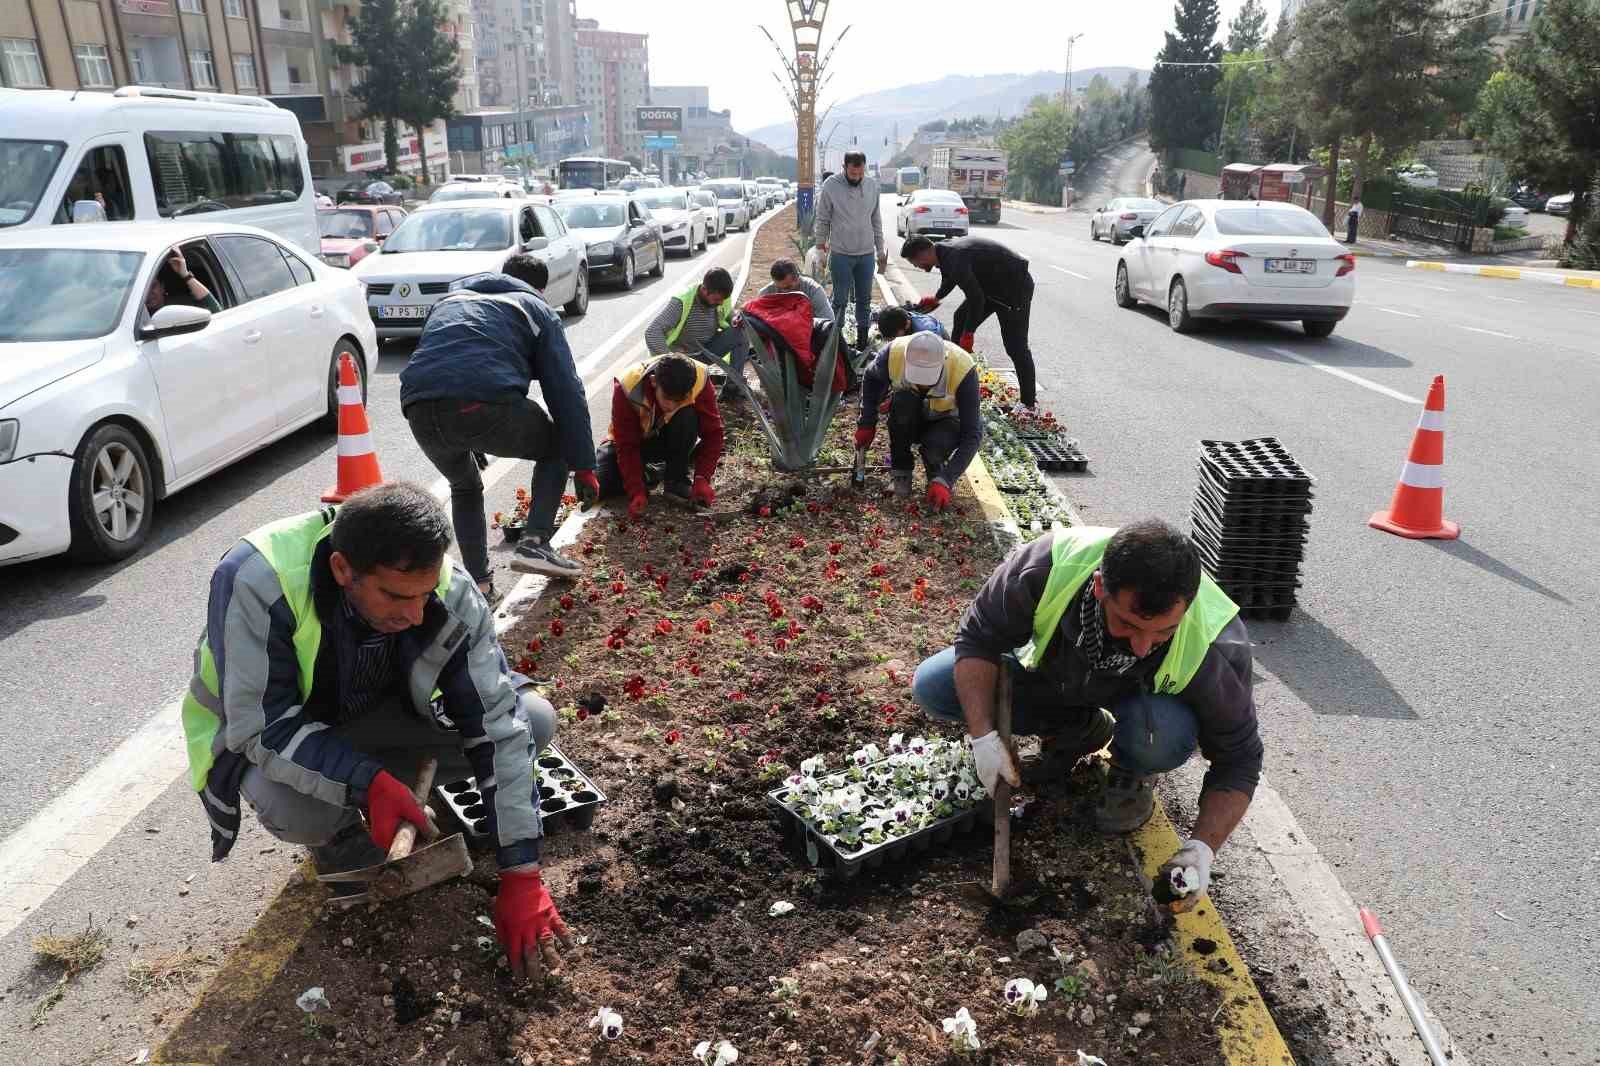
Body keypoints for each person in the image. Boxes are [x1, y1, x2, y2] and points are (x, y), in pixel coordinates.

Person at [180, 484, 571, 979]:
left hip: (374, 713)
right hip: (276, 730)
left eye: (424, 595)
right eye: (394, 595)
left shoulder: (447, 592)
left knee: (533, 720)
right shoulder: (259, 579)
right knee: (300, 810)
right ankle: (341, 837)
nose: (414, 614)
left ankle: (391, 793)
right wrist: (368, 782)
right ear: (343, 569)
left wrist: (521, 873)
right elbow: (262, 725)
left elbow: (496, 723)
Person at [911, 519, 1261, 912]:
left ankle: (1131, 770)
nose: (1144, 646)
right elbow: (978, 639)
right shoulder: (1048, 566)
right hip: (1060, 676)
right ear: (1099, 587)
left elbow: (1240, 757)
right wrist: (983, 738)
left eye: (1163, 633)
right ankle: (1075, 729)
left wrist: (1202, 848)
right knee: (935, 685)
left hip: (1143, 708)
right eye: (1127, 625)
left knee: (1158, 734)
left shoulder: (1217, 645)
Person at [400, 255, 599, 592]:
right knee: (557, 445)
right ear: (539, 287)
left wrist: (469, 434)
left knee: (464, 487)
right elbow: (565, 392)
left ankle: (480, 584)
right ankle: (535, 542)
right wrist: (583, 465)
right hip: (480, 402)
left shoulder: (449, 301)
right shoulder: (535, 308)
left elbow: (445, 362)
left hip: (418, 409)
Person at [900, 234, 1039, 409]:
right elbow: (950, 277)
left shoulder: (954, 256)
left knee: (1016, 347)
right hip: (991, 288)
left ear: (923, 255)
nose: (918, 267)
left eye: (915, 263)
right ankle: (958, 378)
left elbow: (976, 299)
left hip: (1014, 290)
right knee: (960, 317)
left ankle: (1029, 403)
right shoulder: (942, 251)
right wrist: (936, 297)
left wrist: (969, 333)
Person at [855, 331, 981, 507]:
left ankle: (936, 474)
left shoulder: (963, 370)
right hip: (910, 415)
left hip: (946, 421)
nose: (923, 384)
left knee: (935, 446)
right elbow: (871, 378)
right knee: (902, 402)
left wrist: (947, 479)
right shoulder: (893, 353)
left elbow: (972, 435)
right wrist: (867, 422)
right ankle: (901, 473)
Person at [597, 354, 723, 517]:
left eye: (679, 400)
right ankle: (651, 473)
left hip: (669, 437)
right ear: (654, 381)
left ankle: (676, 479)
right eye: (667, 398)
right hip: (634, 442)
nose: (671, 406)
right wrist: (637, 490)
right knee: (600, 484)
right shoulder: (627, 386)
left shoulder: (700, 379)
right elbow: (626, 445)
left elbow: (713, 433)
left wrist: (702, 478)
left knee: (687, 416)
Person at [814, 151, 886, 355]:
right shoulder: (831, 186)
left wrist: (880, 250)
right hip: (841, 254)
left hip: (866, 254)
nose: (856, 177)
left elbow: (876, 219)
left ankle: (862, 343)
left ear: (865, 169)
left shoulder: (872, 186)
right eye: (852, 173)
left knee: (864, 300)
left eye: (860, 173)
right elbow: (823, 219)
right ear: (844, 167)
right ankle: (836, 344)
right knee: (840, 300)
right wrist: (820, 247)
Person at [644, 266, 750, 402]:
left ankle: (732, 389)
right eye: (717, 300)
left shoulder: (721, 299)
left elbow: (728, 314)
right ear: (705, 290)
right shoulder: (681, 302)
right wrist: (671, 361)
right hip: (682, 360)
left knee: (740, 333)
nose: (720, 303)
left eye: (723, 300)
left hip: (705, 351)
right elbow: (652, 332)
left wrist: (735, 318)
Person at [147, 247, 220, 315]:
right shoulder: (137, 314)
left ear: (162, 287)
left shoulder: (182, 306)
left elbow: (215, 311)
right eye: (143, 290)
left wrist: (185, 275)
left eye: (153, 286)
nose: (148, 293)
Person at [758, 258, 833, 322]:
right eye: (779, 288)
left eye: (787, 288)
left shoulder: (813, 290)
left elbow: (828, 322)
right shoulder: (766, 293)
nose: (784, 292)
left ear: (797, 277)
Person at [873, 304, 947, 345]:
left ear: (907, 324)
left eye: (894, 336)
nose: (891, 340)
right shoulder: (900, 316)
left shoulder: (928, 334)